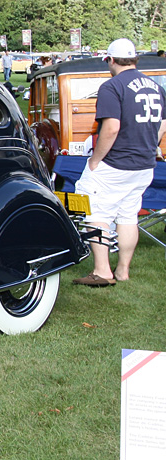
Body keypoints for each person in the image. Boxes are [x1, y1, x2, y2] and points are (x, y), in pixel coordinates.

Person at [72, 38, 166, 287]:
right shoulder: (156, 87)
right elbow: (162, 125)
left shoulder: (111, 87)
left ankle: (102, 271)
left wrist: (95, 159)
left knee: (95, 210)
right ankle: (123, 270)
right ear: (135, 60)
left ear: (111, 60)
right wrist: (149, 145)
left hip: (115, 163)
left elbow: (111, 128)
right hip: (144, 164)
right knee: (128, 215)